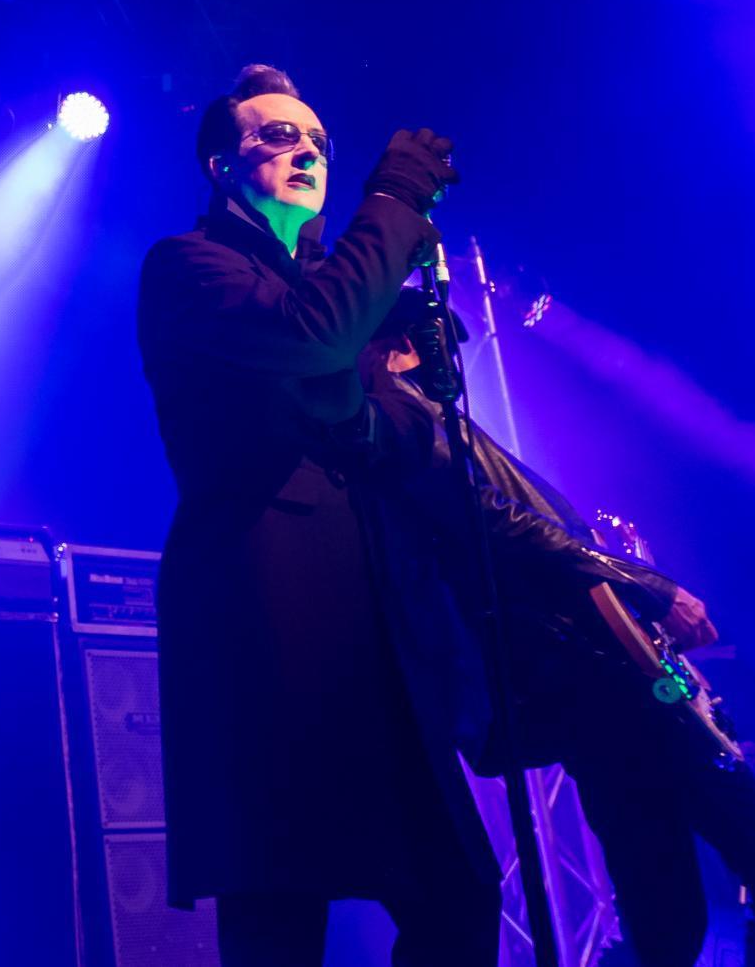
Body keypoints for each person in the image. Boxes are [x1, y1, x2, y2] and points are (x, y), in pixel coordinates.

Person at [352, 294, 755, 967]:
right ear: (402, 346)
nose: (450, 361)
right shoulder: (396, 407)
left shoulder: (423, 418)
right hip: (598, 682)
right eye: (434, 342)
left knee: (666, 915)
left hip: (593, 686)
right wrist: (648, 585)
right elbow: (492, 520)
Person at [135, 64, 494, 967]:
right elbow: (313, 336)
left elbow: (383, 429)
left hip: (373, 628)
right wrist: (397, 193)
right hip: (264, 615)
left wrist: (416, 377)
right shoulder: (188, 266)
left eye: (319, 143)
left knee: (458, 895)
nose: (306, 152)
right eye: (277, 136)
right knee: (280, 913)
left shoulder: (343, 292)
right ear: (220, 166)